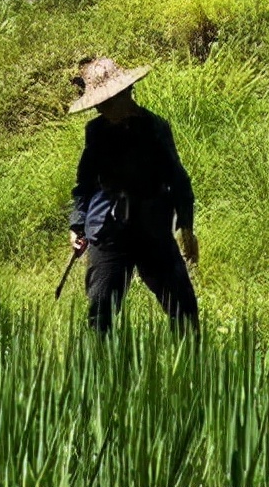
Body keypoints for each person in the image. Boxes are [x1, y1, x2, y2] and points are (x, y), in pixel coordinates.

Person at [67, 57, 200, 334]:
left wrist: (186, 225)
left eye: (107, 103)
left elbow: (178, 178)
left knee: (183, 308)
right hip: (108, 228)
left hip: (152, 227)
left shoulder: (155, 128)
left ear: (125, 93)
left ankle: (191, 366)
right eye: (99, 105)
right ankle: (100, 369)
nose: (103, 110)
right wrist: (77, 225)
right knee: (101, 308)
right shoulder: (96, 132)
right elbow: (85, 183)